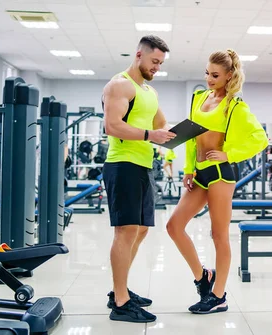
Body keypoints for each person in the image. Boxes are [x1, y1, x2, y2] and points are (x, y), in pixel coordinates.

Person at [166, 49, 268, 314]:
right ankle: (202, 277)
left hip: (221, 175)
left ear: (229, 76)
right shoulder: (199, 98)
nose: (209, 79)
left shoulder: (235, 105)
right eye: (207, 73)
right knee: (174, 226)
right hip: (200, 174)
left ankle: (218, 295)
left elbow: (260, 138)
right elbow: (191, 136)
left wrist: (229, 154)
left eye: (215, 75)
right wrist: (188, 169)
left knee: (219, 235)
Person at [101, 35, 175, 323]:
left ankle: (121, 290)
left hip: (144, 165)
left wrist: (177, 132)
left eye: (161, 63)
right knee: (126, 231)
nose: (157, 67)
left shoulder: (149, 92)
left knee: (141, 229)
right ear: (139, 55)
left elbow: (159, 124)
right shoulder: (120, 85)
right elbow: (112, 125)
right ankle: (121, 301)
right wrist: (149, 136)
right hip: (123, 164)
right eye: (154, 61)